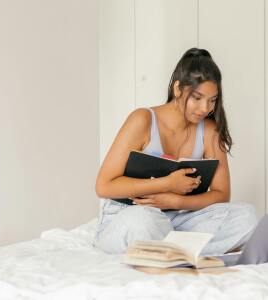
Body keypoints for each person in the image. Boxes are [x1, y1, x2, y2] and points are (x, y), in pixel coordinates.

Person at [93, 47, 257, 256]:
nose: (205, 108)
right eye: (197, 98)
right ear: (178, 89)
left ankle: (169, 248)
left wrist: (175, 201)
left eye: (212, 100)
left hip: (178, 217)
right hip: (131, 215)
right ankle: (186, 247)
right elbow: (103, 186)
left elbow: (222, 195)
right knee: (144, 221)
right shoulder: (142, 120)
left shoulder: (209, 130)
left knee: (246, 216)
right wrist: (167, 184)